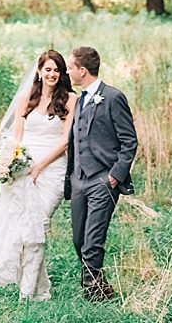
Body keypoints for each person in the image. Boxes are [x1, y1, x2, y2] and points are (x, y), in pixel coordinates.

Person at [0, 48, 73, 301]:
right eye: (48, 69)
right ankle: (36, 289)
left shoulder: (70, 100)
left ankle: (28, 292)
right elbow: (17, 137)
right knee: (23, 228)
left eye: (56, 70)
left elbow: (66, 140)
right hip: (24, 168)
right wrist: (10, 164)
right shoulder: (26, 98)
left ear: (61, 73)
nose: (52, 74)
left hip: (52, 170)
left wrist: (40, 166)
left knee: (38, 225)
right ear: (39, 72)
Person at [64, 45, 139, 302]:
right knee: (79, 240)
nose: (67, 71)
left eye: (70, 67)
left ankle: (93, 294)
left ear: (82, 70)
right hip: (78, 179)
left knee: (92, 241)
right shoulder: (80, 99)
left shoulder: (113, 97)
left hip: (103, 180)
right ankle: (101, 286)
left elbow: (129, 141)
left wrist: (115, 175)